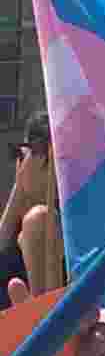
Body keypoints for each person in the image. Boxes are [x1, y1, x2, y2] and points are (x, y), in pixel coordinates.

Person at [0, 112, 64, 304]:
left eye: (25, 152)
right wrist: (19, 190)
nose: (20, 161)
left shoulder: (43, 221)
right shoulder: (18, 229)